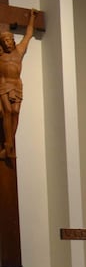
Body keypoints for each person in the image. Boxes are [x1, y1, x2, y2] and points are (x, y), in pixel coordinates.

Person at [0, 9, 37, 159]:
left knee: (15, 112)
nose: (8, 43)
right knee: (7, 111)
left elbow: (28, 35)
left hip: (16, 85)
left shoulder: (19, 51)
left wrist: (32, 18)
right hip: (3, 86)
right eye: (4, 42)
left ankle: (10, 144)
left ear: (13, 41)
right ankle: (8, 146)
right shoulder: (0, 56)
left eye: (9, 41)